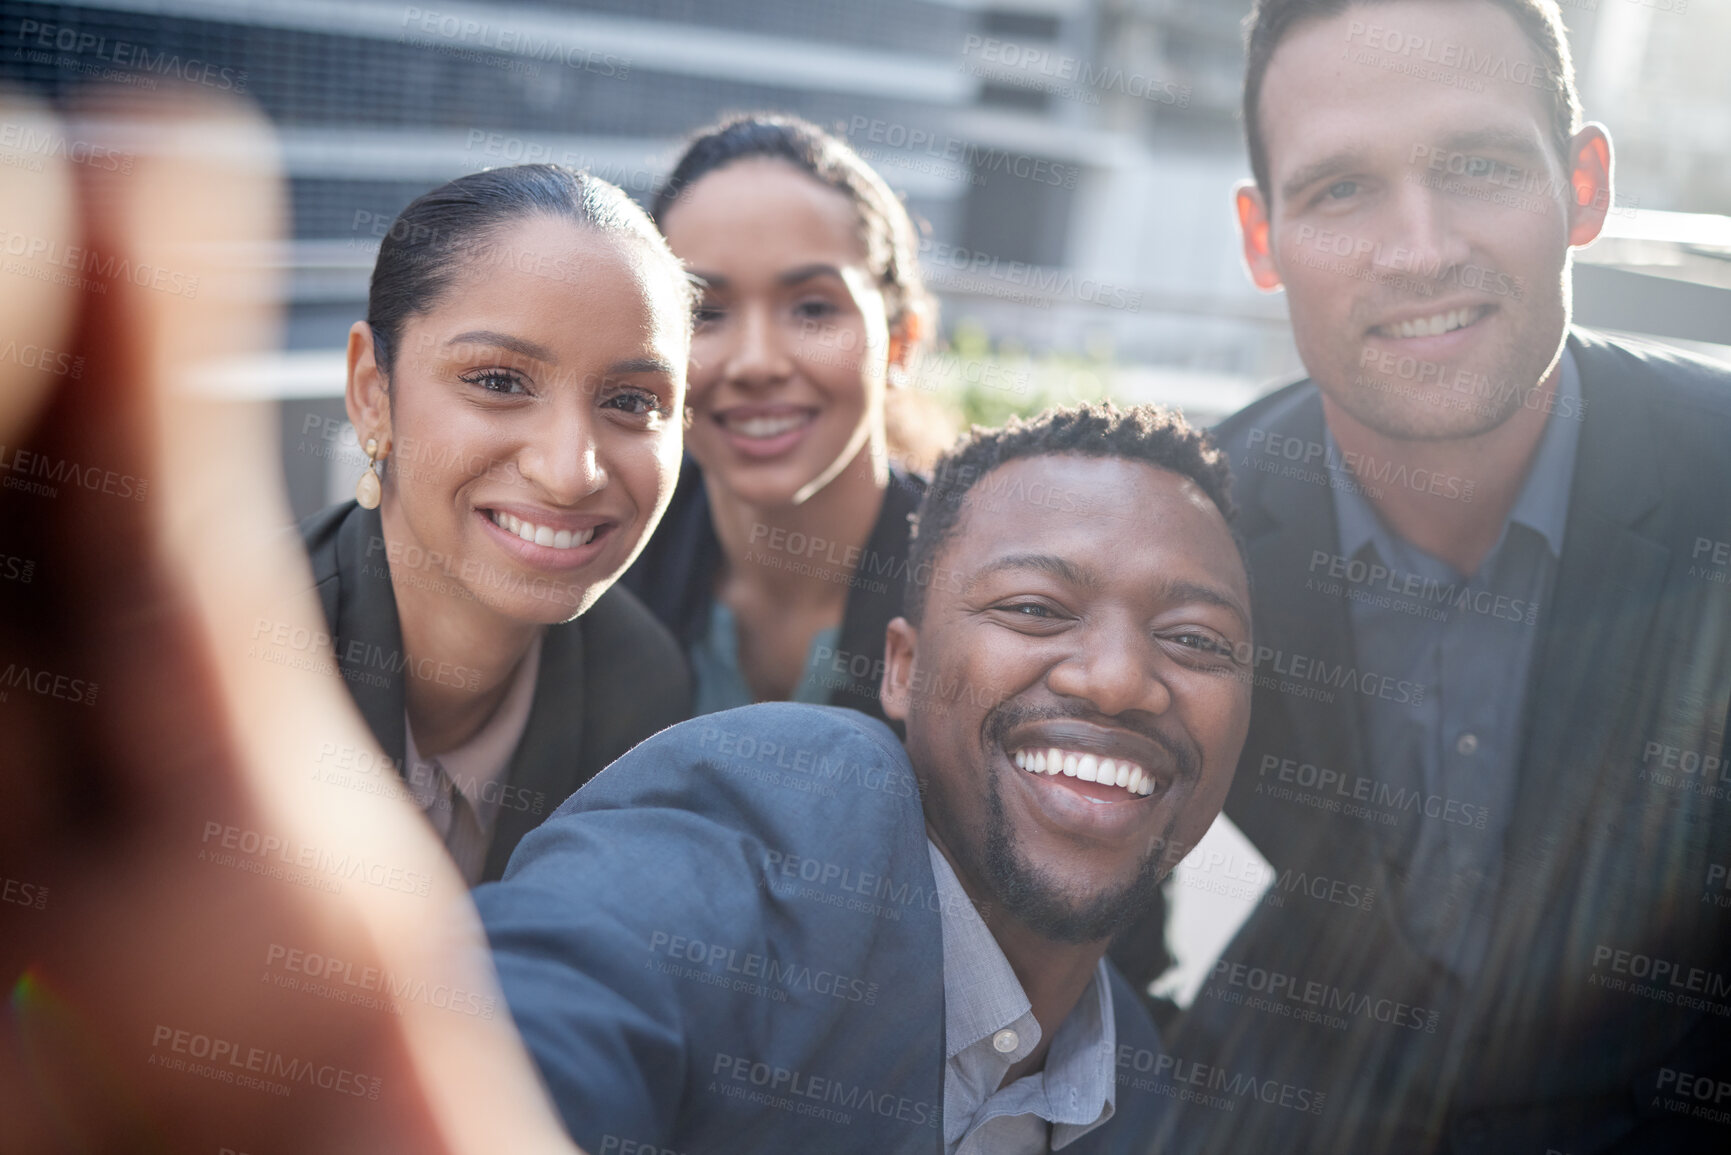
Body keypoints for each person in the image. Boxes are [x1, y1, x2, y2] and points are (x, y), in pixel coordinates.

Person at [1114, 2, 1731, 1151]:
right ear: (1262, 238)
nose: (1421, 249)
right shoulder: (1191, 529)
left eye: (1479, 165)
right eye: (1341, 189)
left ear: (1584, 185)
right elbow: (1074, 913)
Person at [474, 404, 1256, 1154]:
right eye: (1034, 607)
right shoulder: (787, 822)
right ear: (902, 670)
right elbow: (514, 1027)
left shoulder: (1134, 1092)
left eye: (1194, 638)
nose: (1118, 680)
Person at [300, 165, 694, 885]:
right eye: (499, 381)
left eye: (633, 400)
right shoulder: (219, 669)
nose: (571, 472)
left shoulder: (641, 685)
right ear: (371, 394)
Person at [622, 114, 935, 723]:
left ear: (901, 342)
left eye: (813, 307)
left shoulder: (971, 596)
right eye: (704, 312)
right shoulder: (604, 556)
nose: (757, 363)